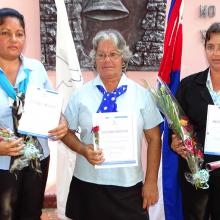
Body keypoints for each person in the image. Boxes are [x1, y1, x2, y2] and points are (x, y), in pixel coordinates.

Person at [61, 29, 163, 220]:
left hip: (128, 185)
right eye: (101, 55)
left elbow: (154, 138)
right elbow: (65, 131)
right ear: (95, 59)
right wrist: (83, 149)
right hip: (88, 184)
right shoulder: (81, 96)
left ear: (123, 58)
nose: (107, 60)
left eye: (113, 54)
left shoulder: (141, 95)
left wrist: (150, 181)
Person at [0, 8, 67, 220]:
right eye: (5, 33)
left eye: (19, 33)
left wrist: (61, 122)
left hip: (37, 161)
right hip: (2, 163)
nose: (14, 39)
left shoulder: (35, 69)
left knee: (31, 214)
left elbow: (52, 106)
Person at [171, 22, 220, 220]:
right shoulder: (188, 86)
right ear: (205, 49)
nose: (216, 53)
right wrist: (174, 143)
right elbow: (177, 127)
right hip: (197, 175)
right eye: (211, 47)